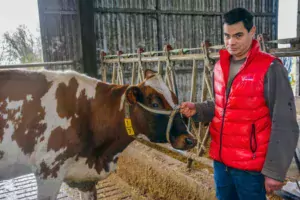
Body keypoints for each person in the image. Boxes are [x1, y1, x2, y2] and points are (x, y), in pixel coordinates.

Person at [180, 7, 299, 200]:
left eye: (238, 35)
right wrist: (198, 109)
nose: (231, 42)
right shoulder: (220, 66)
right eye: (227, 36)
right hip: (221, 163)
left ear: (252, 32)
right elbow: (224, 105)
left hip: (250, 168)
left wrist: (274, 171)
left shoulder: (270, 67)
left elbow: (284, 122)